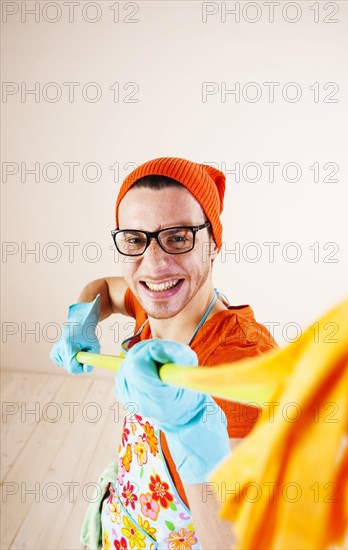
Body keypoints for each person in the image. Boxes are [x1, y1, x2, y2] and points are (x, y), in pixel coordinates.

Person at [50, 157, 277, 550]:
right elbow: (103, 286)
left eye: (178, 237)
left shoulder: (241, 367)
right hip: (119, 522)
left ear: (213, 243)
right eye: (136, 239)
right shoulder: (152, 299)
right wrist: (80, 320)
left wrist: (191, 430)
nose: (153, 266)